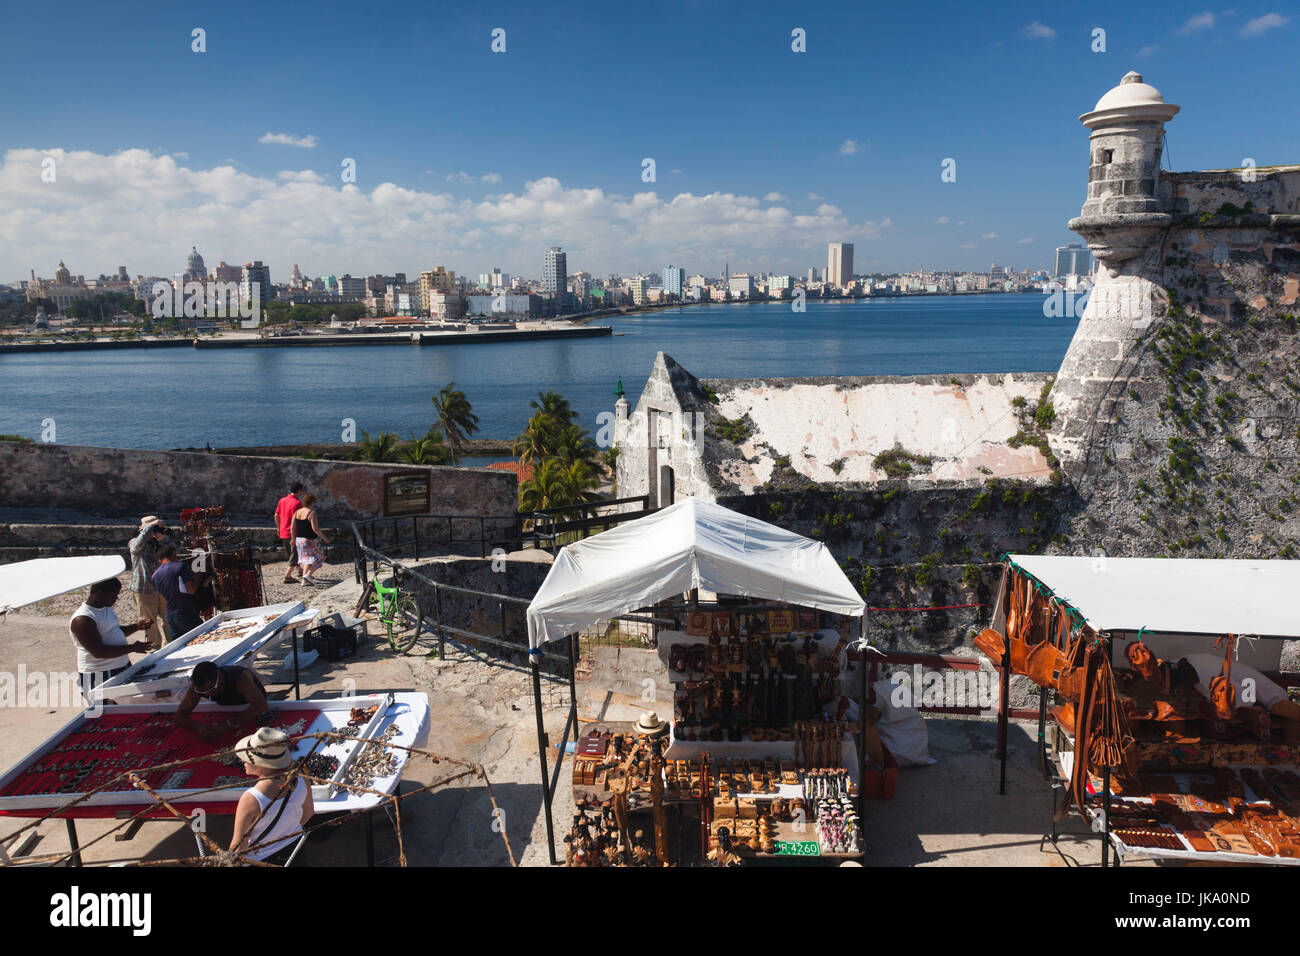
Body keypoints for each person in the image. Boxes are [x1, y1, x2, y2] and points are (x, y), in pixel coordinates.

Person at [230, 728, 314, 864]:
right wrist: (285, 832)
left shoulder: (251, 799)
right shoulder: (300, 776)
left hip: (259, 860)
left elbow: (238, 848)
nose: (242, 761)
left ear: (261, 764)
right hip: (294, 849)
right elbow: (309, 812)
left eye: (247, 758)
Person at [70, 578, 153, 703]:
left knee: (129, 706)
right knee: (107, 710)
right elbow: (99, 652)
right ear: (100, 594)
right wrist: (133, 648)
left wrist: (136, 627)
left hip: (121, 666)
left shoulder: (105, 607)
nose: (117, 598)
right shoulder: (82, 620)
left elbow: (113, 631)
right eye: (114, 594)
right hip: (98, 674)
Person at [174, 661, 271, 740]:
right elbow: (179, 716)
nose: (207, 695)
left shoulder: (240, 679)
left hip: (248, 706)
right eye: (203, 692)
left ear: (220, 679)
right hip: (225, 710)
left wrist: (229, 723)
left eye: (210, 690)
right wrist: (198, 727)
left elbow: (261, 705)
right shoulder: (198, 687)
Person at [128, 515, 172, 648]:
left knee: (169, 618)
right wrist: (149, 528)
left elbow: (175, 552)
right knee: (149, 622)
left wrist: (164, 539)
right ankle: (154, 647)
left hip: (162, 587)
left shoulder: (161, 544)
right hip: (143, 588)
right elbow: (136, 546)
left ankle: (171, 644)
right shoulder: (134, 542)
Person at [152, 544, 204, 638]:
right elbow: (191, 590)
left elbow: (163, 597)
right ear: (173, 553)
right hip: (185, 612)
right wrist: (198, 578)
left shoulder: (155, 575)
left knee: (179, 645)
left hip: (170, 615)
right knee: (203, 637)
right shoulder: (180, 567)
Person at [292, 494, 330, 585]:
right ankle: (308, 574)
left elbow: (292, 527)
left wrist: (293, 539)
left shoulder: (297, 512)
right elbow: (315, 529)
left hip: (299, 540)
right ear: (312, 502)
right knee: (321, 557)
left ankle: (304, 581)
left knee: (307, 560)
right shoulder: (312, 513)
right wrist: (325, 539)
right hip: (310, 540)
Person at [274, 482, 304, 583]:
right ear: (299, 491)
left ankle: (299, 570)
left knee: (292, 554)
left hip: (283, 531)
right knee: (295, 554)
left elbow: (276, 515)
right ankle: (287, 576)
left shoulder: (282, 500)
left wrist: (278, 527)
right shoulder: (298, 503)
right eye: (301, 491)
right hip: (293, 533)